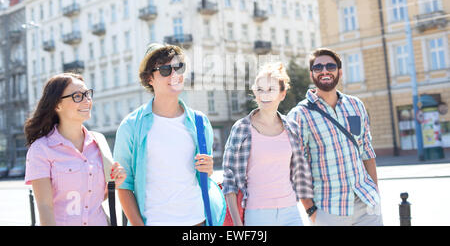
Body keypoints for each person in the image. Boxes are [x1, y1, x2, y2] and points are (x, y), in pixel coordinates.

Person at [113, 43, 226, 226]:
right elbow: (124, 185)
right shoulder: (131, 126)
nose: (174, 75)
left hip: (199, 221)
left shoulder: (200, 122)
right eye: (165, 70)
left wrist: (208, 168)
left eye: (178, 67)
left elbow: (204, 174)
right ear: (149, 78)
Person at [287, 48, 383, 226]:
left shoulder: (356, 105)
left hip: (366, 203)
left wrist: (375, 193)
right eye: (318, 68)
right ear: (312, 74)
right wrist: (310, 210)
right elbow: (297, 168)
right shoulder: (300, 114)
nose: (324, 71)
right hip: (329, 208)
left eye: (330, 66)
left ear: (340, 71)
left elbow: (367, 152)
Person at [24, 73, 126, 226]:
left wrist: (115, 183)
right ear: (57, 105)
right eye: (77, 96)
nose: (87, 101)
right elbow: (45, 207)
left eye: (87, 94)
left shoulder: (99, 141)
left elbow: (92, 198)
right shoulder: (41, 149)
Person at [222, 62, 314, 226]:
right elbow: (230, 181)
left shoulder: (292, 128)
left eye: (270, 89)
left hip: (290, 211)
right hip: (257, 214)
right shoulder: (242, 129)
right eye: (260, 89)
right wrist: (237, 224)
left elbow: (300, 172)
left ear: (282, 94)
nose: (265, 94)